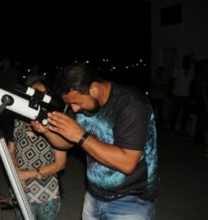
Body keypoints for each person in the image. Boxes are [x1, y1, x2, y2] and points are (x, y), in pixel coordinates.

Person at [31, 63, 158, 219]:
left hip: (131, 200)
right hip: (93, 195)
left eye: (76, 103)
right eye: (70, 104)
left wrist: (81, 136)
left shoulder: (131, 105)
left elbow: (127, 163)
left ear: (95, 89)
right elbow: (66, 143)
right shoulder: (80, 102)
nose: (74, 109)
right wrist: (47, 132)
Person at [8, 75, 66, 220]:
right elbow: (10, 150)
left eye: (43, 93)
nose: (38, 96)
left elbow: (60, 163)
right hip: (20, 188)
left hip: (47, 191)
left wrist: (27, 174)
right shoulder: (18, 120)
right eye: (34, 92)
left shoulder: (56, 122)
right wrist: (17, 171)